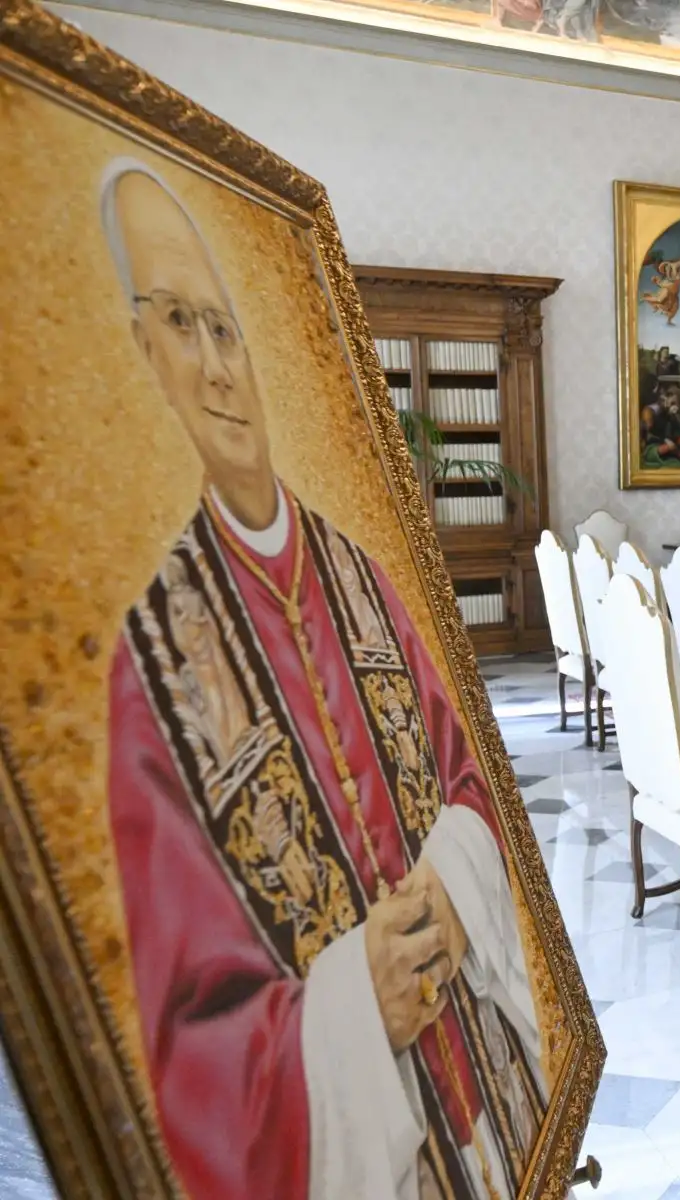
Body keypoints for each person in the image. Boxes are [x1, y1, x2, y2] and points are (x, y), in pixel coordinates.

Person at [98, 157, 546, 1198]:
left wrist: (449, 885)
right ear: (141, 353)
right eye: (177, 325)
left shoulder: (364, 573)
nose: (214, 366)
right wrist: (349, 1011)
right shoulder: (150, 668)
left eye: (225, 327)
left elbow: (467, 777)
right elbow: (178, 1038)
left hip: (492, 1088)